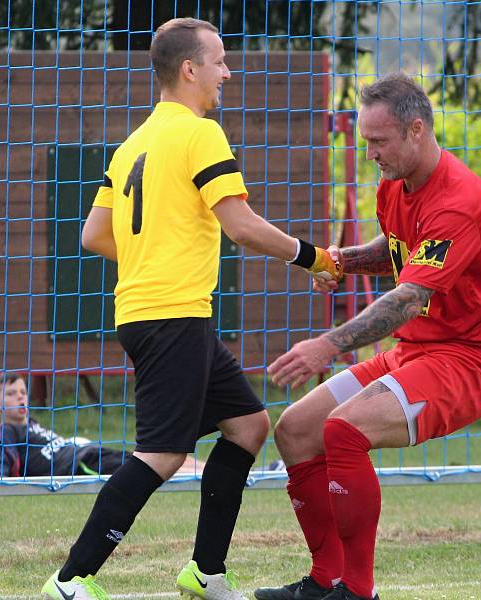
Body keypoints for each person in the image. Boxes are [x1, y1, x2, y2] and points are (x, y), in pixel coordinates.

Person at [42, 17, 341, 600]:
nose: (226, 72)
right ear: (189, 69)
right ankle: (70, 581)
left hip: (153, 313)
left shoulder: (135, 143)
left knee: (251, 426)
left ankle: (204, 573)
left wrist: (155, 251)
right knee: (162, 452)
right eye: (219, 61)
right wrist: (313, 258)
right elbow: (240, 226)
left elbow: (93, 234)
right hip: (172, 314)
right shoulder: (202, 133)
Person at [255, 73, 481, 600]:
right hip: (414, 352)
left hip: (470, 362)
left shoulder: (460, 200)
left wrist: (328, 343)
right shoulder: (395, 185)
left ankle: (358, 590)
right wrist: (339, 260)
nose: (370, 152)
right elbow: (396, 248)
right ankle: (325, 580)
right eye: (364, 141)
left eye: (378, 141)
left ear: (416, 129)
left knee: (344, 431)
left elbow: (406, 297)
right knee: (297, 429)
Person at [0, 372, 205, 478]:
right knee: (148, 467)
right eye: (11, 394)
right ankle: (207, 474)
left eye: (23, 392)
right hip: (80, 464)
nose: (20, 397)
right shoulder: (5, 432)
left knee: (147, 459)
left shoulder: (32, 425)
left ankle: (208, 469)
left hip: (87, 452)